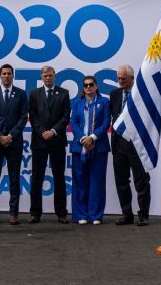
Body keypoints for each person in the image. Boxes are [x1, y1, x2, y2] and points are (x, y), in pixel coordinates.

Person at [0, 63, 29, 225]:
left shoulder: (21, 94)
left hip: (14, 142)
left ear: (13, 75)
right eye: (4, 73)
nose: (6, 76)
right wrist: (0, 136)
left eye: (9, 73)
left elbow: (23, 117)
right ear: (0, 75)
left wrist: (10, 135)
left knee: (14, 178)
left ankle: (13, 213)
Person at [108, 63, 150, 226]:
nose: (120, 81)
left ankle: (143, 214)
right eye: (118, 78)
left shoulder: (141, 94)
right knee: (121, 181)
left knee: (141, 180)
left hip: (137, 144)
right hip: (118, 144)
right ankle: (127, 214)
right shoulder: (114, 94)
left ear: (132, 78)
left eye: (123, 78)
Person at [28, 65, 70, 224]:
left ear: (55, 76)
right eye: (45, 76)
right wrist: (42, 132)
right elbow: (32, 116)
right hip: (39, 142)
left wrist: (53, 131)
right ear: (41, 77)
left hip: (57, 141)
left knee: (59, 178)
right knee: (37, 178)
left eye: (50, 75)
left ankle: (61, 213)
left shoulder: (64, 93)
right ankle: (35, 213)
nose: (48, 78)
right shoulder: (34, 94)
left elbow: (65, 117)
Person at [70, 75, 111, 225]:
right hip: (79, 146)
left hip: (98, 146)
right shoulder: (77, 103)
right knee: (80, 181)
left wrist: (92, 137)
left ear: (96, 86)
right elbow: (73, 122)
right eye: (86, 85)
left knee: (97, 181)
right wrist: (83, 139)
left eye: (91, 84)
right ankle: (81, 214)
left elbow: (106, 122)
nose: (88, 87)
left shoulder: (104, 102)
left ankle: (95, 215)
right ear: (83, 88)